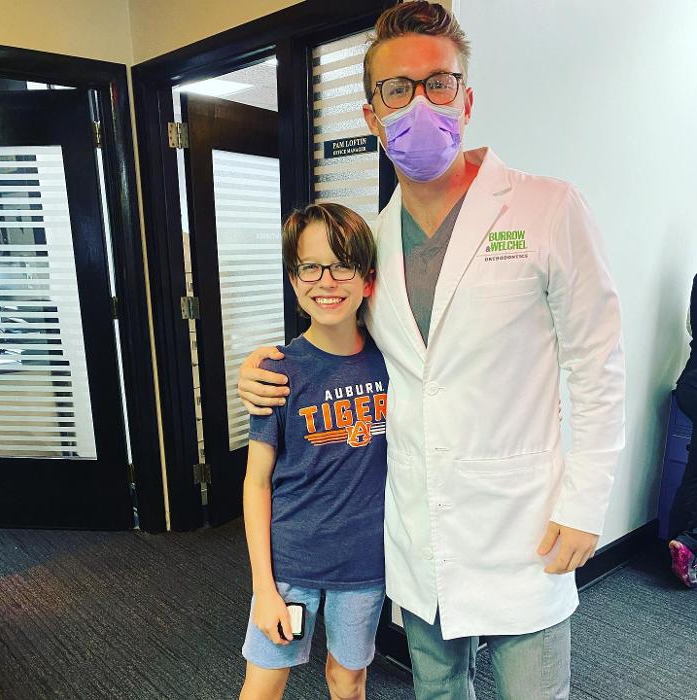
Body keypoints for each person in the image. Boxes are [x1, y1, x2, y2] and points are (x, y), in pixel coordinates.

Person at [238, 3, 625, 698]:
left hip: (523, 527)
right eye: (397, 89)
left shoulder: (546, 209)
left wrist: (587, 501)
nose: (420, 104)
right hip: (420, 532)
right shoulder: (373, 244)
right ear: (372, 114)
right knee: (438, 691)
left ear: (465, 100)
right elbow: (338, 335)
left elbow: (598, 364)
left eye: (438, 83)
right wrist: (260, 366)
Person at [239, 203, 389, 700]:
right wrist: (264, 586)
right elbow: (256, 483)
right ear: (293, 279)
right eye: (310, 266)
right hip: (290, 565)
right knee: (264, 684)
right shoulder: (277, 371)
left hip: (364, 562)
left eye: (342, 265)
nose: (327, 281)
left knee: (348, 680)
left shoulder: (393, 364)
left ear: (367, 279)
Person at [670, 273, 697, 588]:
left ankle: (682, 539)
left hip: (690, 384)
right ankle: (690, 540)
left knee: (694, 468)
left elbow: (690, 327)